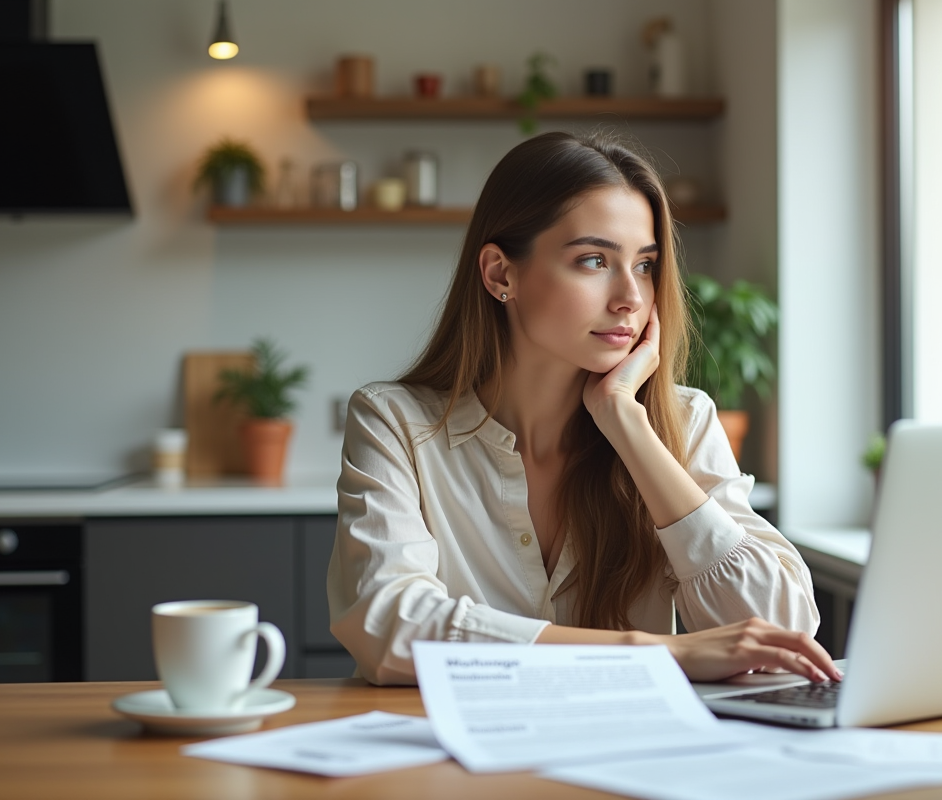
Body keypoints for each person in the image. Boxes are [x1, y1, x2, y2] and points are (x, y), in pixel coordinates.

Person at [327, 131, 839, 687]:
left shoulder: (682, 421)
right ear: (501, 274)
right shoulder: (397, 424)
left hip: (626, 759)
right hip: (452, 764)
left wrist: (629, 428)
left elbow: (777, 631)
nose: (631, 298)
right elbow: (389, 626)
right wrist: (657, 652)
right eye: (594, 260)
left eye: (644, 265)